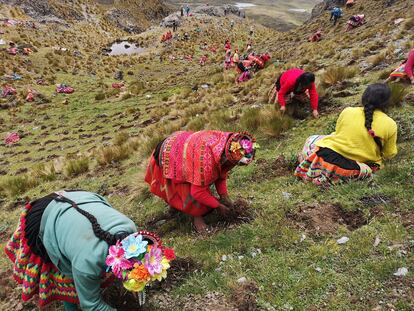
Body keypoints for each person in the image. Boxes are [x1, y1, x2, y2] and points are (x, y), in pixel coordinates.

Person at [5, 190, 173, 310]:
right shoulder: (87, 262)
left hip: (80, 197)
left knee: (81, 269)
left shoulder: (129, 228)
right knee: (64, 275)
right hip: (43, 217)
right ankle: (69, 304)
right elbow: (91, 306)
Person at [145, 131, 257, 232]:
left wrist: (224, 196)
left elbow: (221, 174)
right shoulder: (206, 162)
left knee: (199, 181)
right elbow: (197, 192)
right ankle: (198, 221)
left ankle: (177, 207)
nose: (232, 166)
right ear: (226, 157)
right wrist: (219, 206)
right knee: (186, 186)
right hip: (170, 153)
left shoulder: (226, 143)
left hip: (187, 147)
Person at [295, 83, 397, 185]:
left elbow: (338, 133)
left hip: (328, 158)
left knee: (312, 139)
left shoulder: (347, 111)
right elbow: (389, 154)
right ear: (387, 102)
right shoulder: (390, 124)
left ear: (364, 97)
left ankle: (309, 165)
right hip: (355, 168)